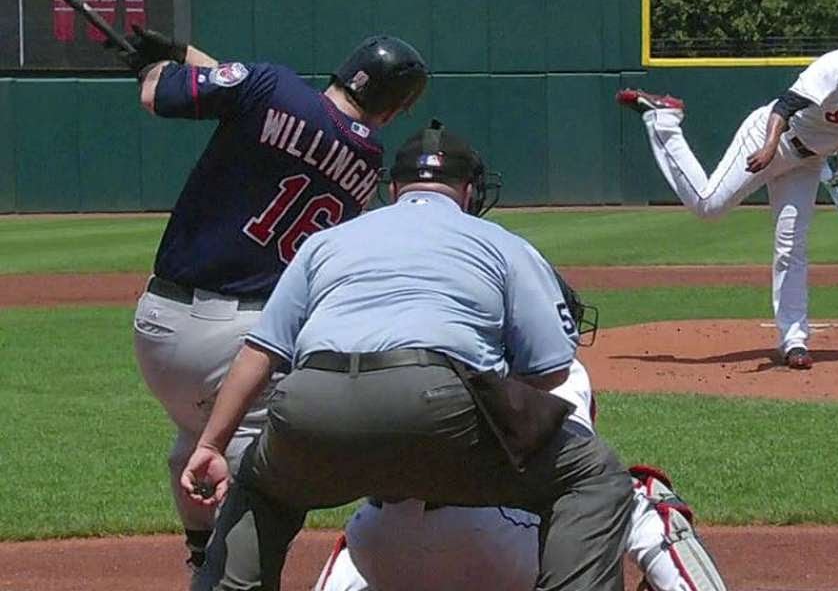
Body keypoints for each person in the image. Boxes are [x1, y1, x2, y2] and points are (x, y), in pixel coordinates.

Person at [180, 122, 635, 591]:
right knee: (594, 480)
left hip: (311, 403)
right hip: (438, 401)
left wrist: (212, 445)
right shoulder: (501, 242)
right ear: (470, 191)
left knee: (262, 489)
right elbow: (551, 369)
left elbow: (261, 352)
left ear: (393, 188)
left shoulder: (326, 242)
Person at [112, 26, 428, 571]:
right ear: (394, 110)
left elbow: (161, 94)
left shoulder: (271, 87)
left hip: (158, 329)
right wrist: (182, 54)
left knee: (196, 439)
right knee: (255, 469)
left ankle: (199, 556)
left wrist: (155, 65)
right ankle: (227, 574)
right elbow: (273, 106)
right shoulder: (366, 161)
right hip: (241, 344)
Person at [310, 287, 727, 591]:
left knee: (371, 516)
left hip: (380, 551)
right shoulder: (566, 372)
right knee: (634, 492)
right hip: (497, 548)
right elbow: (579, 486)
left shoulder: (431, 354)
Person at [617, 4, 838, 370]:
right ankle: (664, 121)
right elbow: (784, 107)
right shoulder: (836, 68)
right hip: (770, 137)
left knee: (791, 248)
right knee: (708, 206)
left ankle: (793, 340)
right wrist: (767, 149)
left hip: (807, 161)